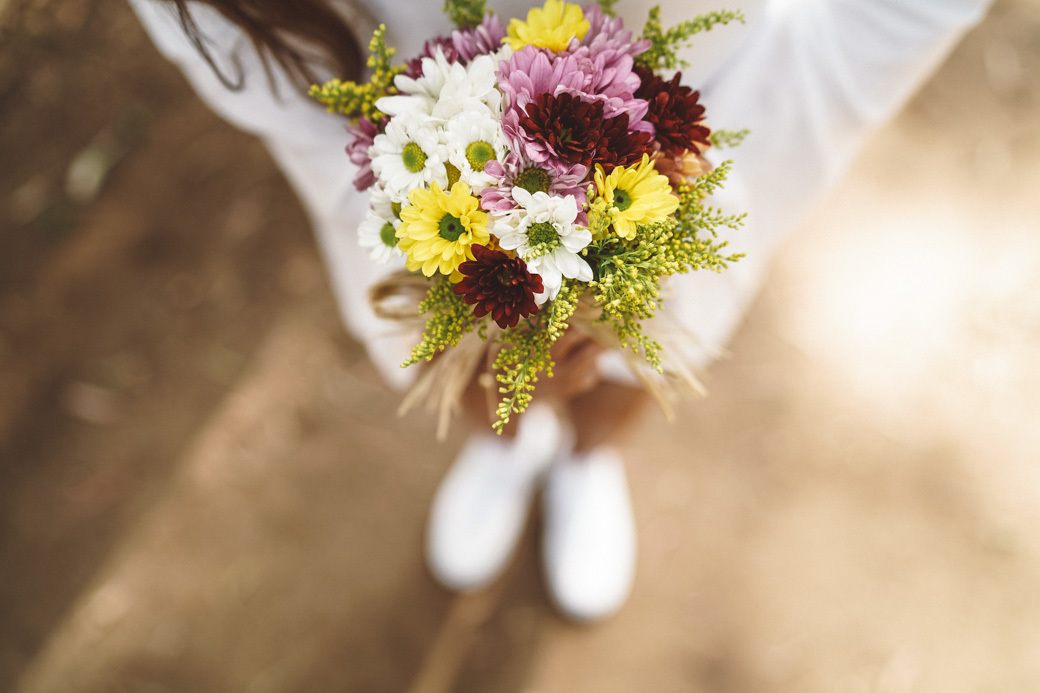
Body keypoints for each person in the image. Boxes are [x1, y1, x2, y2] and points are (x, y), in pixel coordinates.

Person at [128, 0, 992, 622]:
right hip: (415, 196)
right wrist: (461, 304)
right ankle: (510, 444)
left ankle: (585, 460)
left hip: (711, 122)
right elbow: (302, 121)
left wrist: (762, 159)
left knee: (644, 347)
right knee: (482, 379)